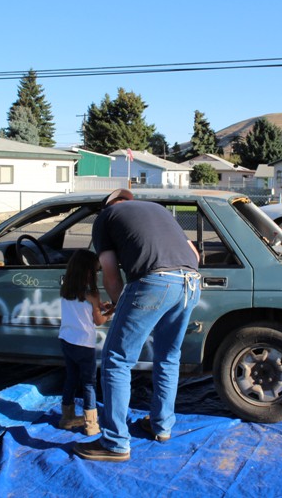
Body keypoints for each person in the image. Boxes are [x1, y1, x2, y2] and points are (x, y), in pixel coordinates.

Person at [73, 188, 201, 462]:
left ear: (108, 206)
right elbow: (194, 254)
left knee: (116, 360)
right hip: (191, 282)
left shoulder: (106, 217)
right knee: (168, 357)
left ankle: (115, 443)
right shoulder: (158, 210)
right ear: (130, 201)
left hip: (154, 282)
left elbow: (110, 273)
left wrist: (121, 305)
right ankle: (162, 425)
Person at [58, 249, 114, 436]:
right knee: (89, 383)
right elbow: (98, 321)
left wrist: (99, 307)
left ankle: (66, 418)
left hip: (67, 340)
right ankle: (91, 425)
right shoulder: (93, 293)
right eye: (96, 271)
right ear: (89, 272)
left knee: (71, 378)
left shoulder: (66, 289)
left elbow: (83, 307)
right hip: (84, 344)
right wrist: (110, 312)